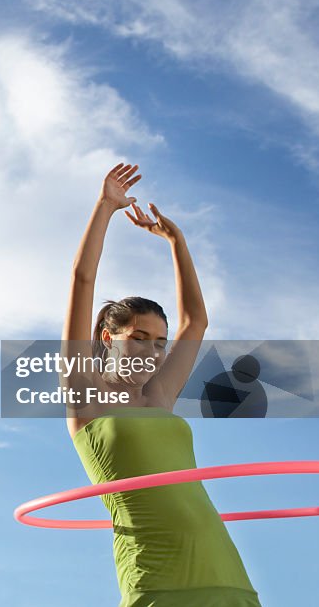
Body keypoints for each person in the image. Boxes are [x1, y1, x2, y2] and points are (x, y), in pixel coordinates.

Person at [61, 163, 261, 607]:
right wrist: (105, 207)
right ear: (109, 336)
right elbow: (82, 280)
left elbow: (196, 322)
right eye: (138, 338)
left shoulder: (158, 396)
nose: (152, 352)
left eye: (158, 343)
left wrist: (177, 243)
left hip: (222, 568)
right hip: (157, 576)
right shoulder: (86, 396)